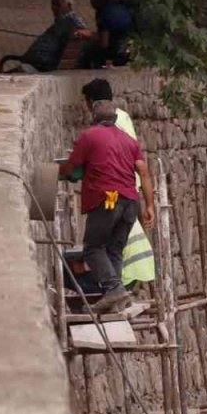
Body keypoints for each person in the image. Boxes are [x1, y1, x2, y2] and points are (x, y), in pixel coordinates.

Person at [59, 100, 153, 313]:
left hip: (108, 199)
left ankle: (113, 289)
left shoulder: (89, 136)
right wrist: (150, 206)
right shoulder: (129, 141)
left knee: (93, 247)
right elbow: (143, 171)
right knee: (114, 249)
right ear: (115, 119)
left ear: (94, 117)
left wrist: (57, 172)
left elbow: (72, 166)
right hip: (131, 202)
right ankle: (116, 300)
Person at [80, 79, 156, 288]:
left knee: (98, 244)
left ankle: (115, 288)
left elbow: (116, 159)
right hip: (128, 192)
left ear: (92, 103)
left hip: (114, 194)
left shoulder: (111, 123)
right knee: (117, 243)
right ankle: (118, 288)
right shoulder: (121, 118)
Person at [0, 0, 90, 73]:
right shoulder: (61, 22)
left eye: (57, 5)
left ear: (69, 6)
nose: (53, 8)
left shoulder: (72, 20)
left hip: (43, 65)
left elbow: (82, 31)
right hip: (37, 63)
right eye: (52, 4)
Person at [85, 0, 135, 68]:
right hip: (131, 51)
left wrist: (89, 35)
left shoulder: (104, 12)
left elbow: (104, 42)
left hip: (115, 55)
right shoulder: (124, 7)